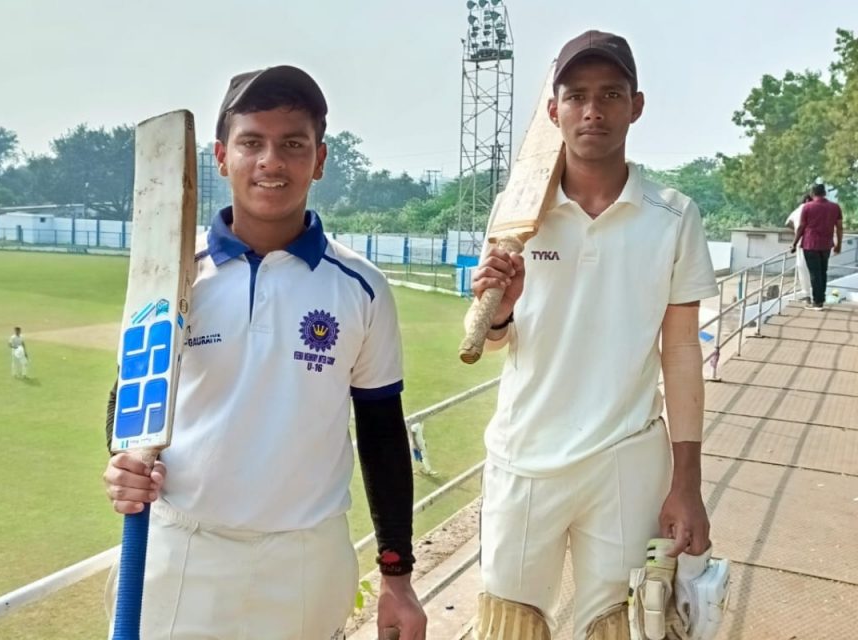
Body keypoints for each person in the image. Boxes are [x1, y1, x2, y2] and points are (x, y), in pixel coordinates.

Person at [101, 66, 426, 640]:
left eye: (292, 144)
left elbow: (381, 432)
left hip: (305, 559)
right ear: (222, 157)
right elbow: (129, 397)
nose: (271, 162)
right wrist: (122, 459)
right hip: (183, 549)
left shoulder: (361, 286)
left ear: (319, 160)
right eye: (252, 142)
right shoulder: (172, 275)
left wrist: (396, 575)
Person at [467, 31, 718, 640]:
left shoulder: (672, 215)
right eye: (576, 96)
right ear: (553, 110)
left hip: (625, 457)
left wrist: (687, 483)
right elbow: (491, 339)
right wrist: (500, 312)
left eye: (610, 94)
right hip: (525, 455)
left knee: (624, 626)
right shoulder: (516, 210)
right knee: (509, 625)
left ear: (636, 105)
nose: (592, 111)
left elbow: (682, 352)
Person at [791, 183, 844, 310]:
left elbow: (801, 227)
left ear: (812, 194)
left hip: (810, 244)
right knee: (822, 271)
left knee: (814, 273)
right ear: (824, 193)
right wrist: (839, 245)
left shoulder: (807, 207)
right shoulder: (835, 207)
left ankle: (817, 302)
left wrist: (794, 243)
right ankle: (821, 298)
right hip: (826, 245)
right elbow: (839, 228)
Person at [785, 193, 814, 302]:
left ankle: (806, 293)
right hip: (811, 242)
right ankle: (812, 294)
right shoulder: (810, 209)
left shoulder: (797, 211)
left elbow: (788, 223)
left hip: (800, 242)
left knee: (802, 267)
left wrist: (796, 231)